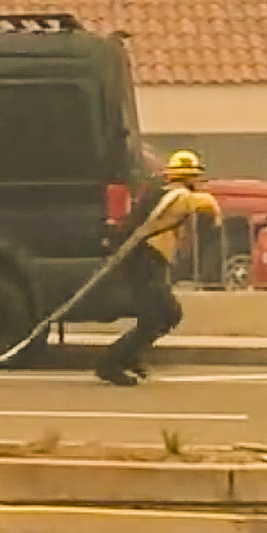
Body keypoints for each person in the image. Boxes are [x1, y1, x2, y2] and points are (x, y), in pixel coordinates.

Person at [96, 150, 220, 386]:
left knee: (158, 316)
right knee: (164, 314)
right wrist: (214, 211)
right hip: (145, 262)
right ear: (188, 177)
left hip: (149, 261)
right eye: (197, 178)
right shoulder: (176, 195)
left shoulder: (161, 193)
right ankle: (110, 364)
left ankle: (129, 357)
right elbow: (199, 203)